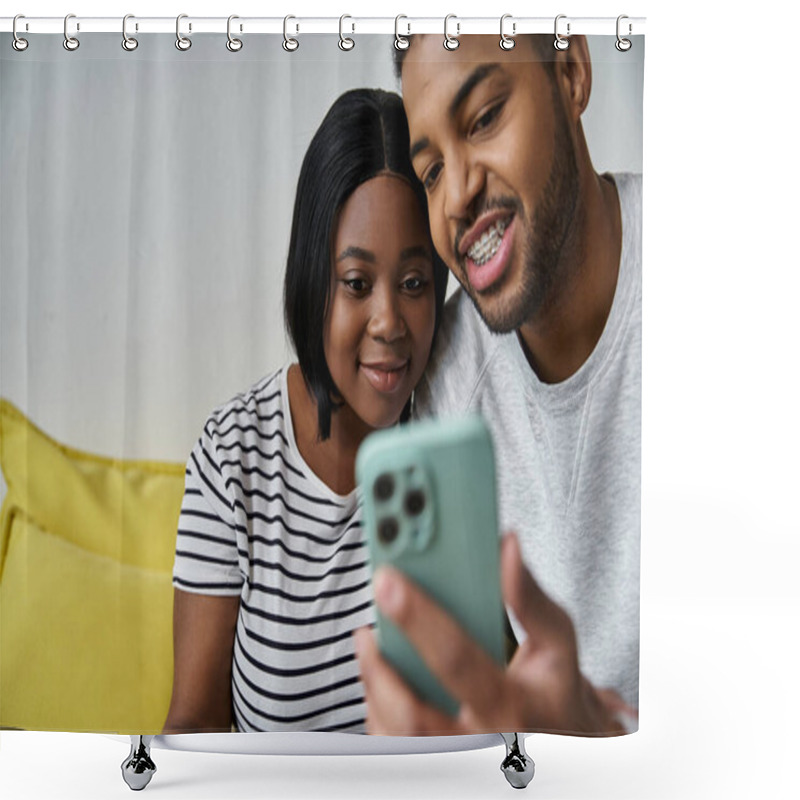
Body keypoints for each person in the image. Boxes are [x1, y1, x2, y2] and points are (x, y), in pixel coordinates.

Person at [355, 34, 641, 736]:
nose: (457, 196)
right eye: (428, 174)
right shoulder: (449, 381)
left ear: (570, 73)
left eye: (483, 118)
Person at [163, 88, 447, 734]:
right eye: (355, 283)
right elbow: (194, 725)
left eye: (413, 283)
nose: (388, 323)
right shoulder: (232, 455)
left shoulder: (454, 432)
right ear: (311, 279)